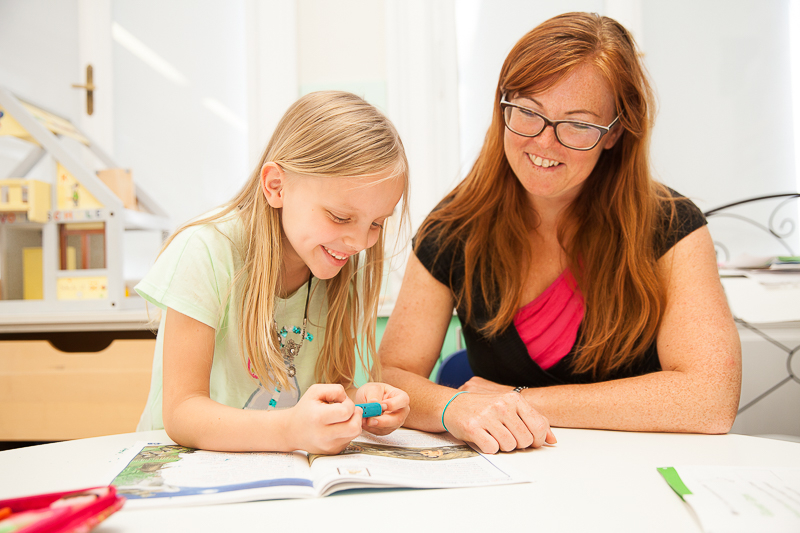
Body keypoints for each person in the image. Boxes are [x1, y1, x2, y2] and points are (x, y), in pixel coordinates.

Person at [380, 12, 741, 454]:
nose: (544, 143)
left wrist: (516, 401)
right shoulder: (455, 227)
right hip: (509, 479)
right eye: (529, 112)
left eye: (579, 124)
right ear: (503, 106)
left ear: (615, 132)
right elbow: (392, 377)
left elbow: (709, 400)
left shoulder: (671, 225)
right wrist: (454, 406)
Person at [136, 91, 410, 454]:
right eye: (340, 217)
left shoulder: (339, 264)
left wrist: (361, 399)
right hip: (181, 471)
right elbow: (182, 412)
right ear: (276, 186)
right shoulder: (205, 251)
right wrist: (290, 432)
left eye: (376, 223)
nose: (360, 242)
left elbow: (331, 390)